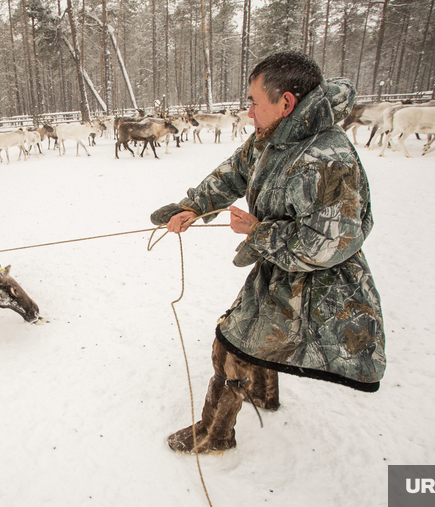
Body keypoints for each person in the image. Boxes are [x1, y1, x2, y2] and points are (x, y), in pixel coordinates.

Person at [150, 51, 386, 454]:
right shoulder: (275, 135)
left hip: (319, 285)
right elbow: (236, 169)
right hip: (281, 265)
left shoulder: (326, 159)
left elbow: (323, 245)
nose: (248, 112)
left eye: (255, 102)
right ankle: (264, 395)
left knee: (231, 345)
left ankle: (215, 434)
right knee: (254, 337)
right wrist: (194, 205)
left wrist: (258, 231)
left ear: (287, 103)